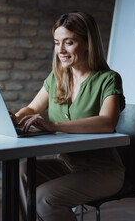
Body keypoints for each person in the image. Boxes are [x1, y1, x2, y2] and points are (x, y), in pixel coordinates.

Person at [10, 12, 126, 221]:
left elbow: (108, 122)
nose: (60, 50)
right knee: (21, 171)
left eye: (69, 42)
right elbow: (32, 108)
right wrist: (17, 117)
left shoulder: (108, 79)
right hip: (67, 165)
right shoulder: (57, 78)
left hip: (103, 171)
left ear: (87, 43)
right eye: (56, 43)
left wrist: (53, 124)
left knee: (45, 199)